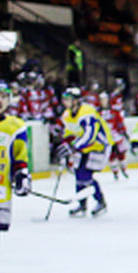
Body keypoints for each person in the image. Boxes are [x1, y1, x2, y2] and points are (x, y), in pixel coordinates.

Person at [57, 86, 113, 218]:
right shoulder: (67, 114)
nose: (65, 102)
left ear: (76, 101)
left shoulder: (87, 112)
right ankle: (82, 204)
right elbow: (69, 132)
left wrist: (73, 147)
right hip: (84, 147)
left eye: (68, 99)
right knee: (79, 173)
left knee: (85, 175)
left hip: (99, 145)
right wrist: (66, 143)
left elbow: (90, 135)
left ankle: (101, 202)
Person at [0, 80, 31, 251]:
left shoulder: (15, 127)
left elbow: (20, 156)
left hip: (1, 190)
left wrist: (22, 176)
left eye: (3, 96)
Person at [97, 91, 131, 180]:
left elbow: (119, 122)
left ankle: (124, 169)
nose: (103, 101)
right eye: (102, 100)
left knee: (121, 153)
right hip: (106, 138)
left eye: (105, 99)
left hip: (117, 136)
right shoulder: (97, 113)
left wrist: (123, 132)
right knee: (111, 155)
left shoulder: (114, 111)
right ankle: (115, 172)